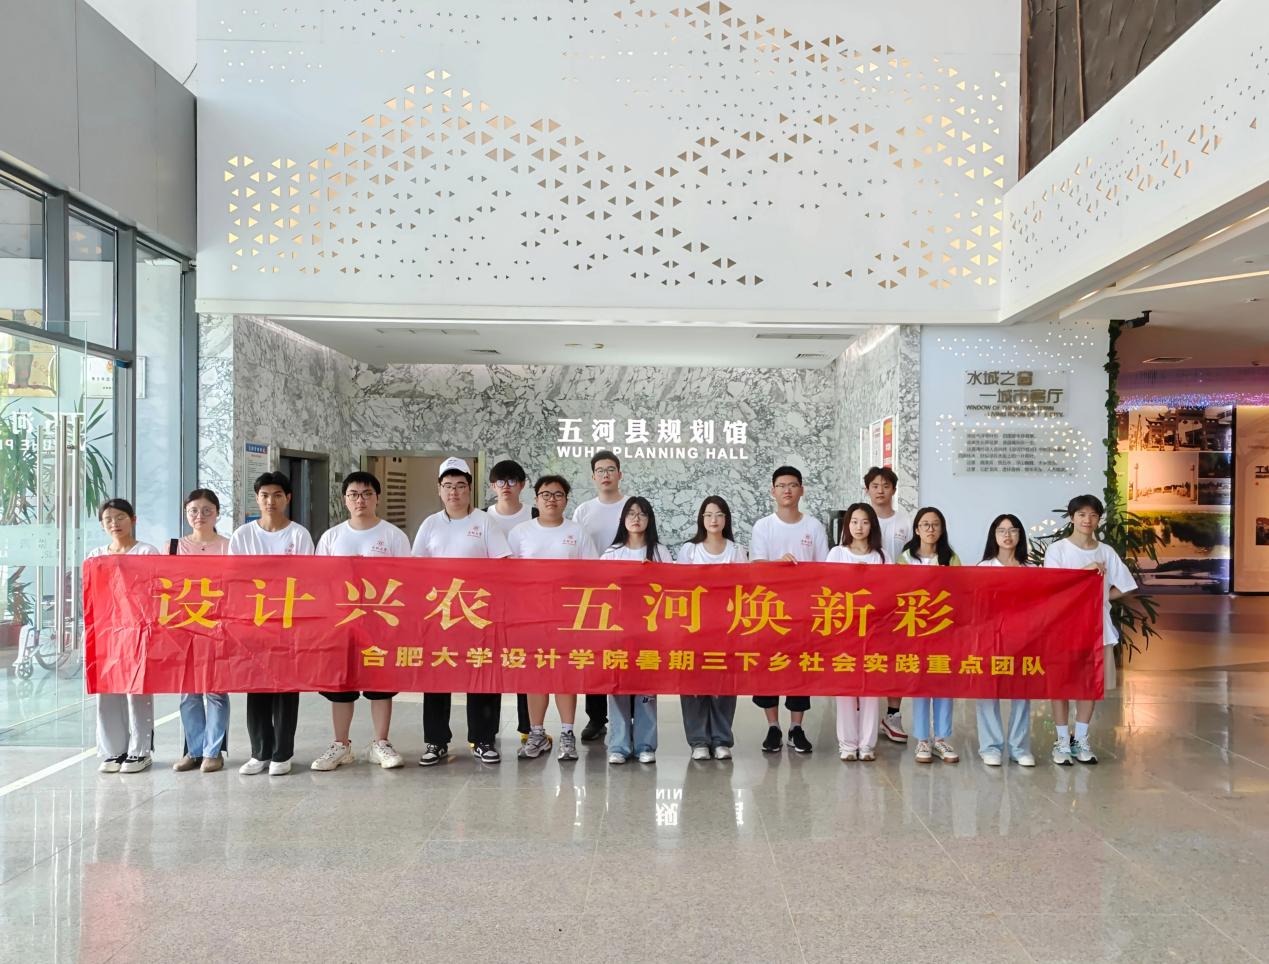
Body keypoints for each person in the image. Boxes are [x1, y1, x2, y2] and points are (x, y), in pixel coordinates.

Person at [412, 457, 512, 766]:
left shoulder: (485, 522)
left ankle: (483, 739)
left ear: (470, 488)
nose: (453, 492)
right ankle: (436, 741)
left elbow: (503, 564)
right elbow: (415, 569)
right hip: (439, 613)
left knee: (482, 673)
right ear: (439, 490)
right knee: (437, 676)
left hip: (478, 613)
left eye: (460, 486)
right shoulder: (430, 524)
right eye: (448, 486)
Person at [311, 471, 412, 772]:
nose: (360, 500)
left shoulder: (393, 536)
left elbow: (407, 579)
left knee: (380, 682)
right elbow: (320, 581)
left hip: (380, 620)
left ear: (377, 497)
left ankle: (380, 743)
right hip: (341, 622)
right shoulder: (331, 537)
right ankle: (341, 745)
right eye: (353, 494)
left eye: (367, 493)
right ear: (345, 499)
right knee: (341, 684)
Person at [228, 471, 315, 776]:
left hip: (289, 622)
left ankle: (282, 753)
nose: (270, 501)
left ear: (287, 498)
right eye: (264, 495)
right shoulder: (243, 535)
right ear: (257, 498)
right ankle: (259, 752)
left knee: (286, 687)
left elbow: (307, 580)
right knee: (257, 687)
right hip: (253, 622)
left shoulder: (299, 535)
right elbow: (235, 579)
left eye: (277, 495)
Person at [509, 475, 600, 761]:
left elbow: (593, 574)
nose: (552, 499)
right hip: (530, 616)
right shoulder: (520, 532)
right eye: (546, 494)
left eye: (558, 494)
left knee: (565, 675)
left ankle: (567, 734)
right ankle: (536, 733)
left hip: (568, 616)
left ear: (566, 500)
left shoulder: (577, 532)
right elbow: (507, 575)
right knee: (535, 676)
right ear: (536, 499)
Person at [1043, 494, 1136, 766]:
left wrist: (1103, 597)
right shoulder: (1058, 550)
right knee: (1060, 686)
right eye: (1082, 514)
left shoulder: (1105, 551)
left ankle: (1081, 739)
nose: (1088, 520)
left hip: (1097, 628)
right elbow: (1052, 586)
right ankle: (1062, 740)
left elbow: (1126, 586)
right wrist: (1086, 571)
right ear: (1072, 517)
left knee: (1089, 687)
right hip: (1063, 628)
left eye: (1093, 515)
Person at [749, 465, 829, 754]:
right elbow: (756, 566)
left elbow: (824, 568)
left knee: (799, 667)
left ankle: (796, 727)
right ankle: (773, 726)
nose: (787, 490)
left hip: (803, 611)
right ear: (773, 491)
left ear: (801, 490)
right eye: (781, 485)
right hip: (769, 611)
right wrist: (778, 565)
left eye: (793, 485)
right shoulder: (763, 526)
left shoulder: (814, 526)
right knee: (770, 667)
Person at [90, 499, 160, 774]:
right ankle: (113, 751)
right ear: (102, 524)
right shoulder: (96, 555)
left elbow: (155, 591)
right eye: (108, 519)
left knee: (137, 690)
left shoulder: (146, 552)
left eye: (120, 517)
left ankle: (140, 751)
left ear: (133, 519)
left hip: (138, 630)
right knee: (106, 691)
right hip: (105, 631)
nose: (114, 523)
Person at [601, 497, 671, 765]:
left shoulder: (660, 553)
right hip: (617, 632)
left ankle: (645, 744)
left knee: (646, 690)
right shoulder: (612, 553)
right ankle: (618, 745)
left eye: (642, 514)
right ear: (623, 519)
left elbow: (672, 590)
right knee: (618, 686)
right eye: (631, 513)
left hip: (650, 632)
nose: (636, 518)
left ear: (649, 519)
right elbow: (600, 590)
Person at [677, 496, 747, 761]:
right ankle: (698, 740)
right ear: (701, 519)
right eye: (708, 515)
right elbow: (679, 587)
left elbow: (745, 589)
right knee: (694, 684)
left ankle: (721, 739)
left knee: (723, 684)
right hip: (694, 628)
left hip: (726, 628)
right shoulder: (690, 550)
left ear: (726, 519)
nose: (713, 520)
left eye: (718, 514)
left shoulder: (736, 550)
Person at [172, 489, 231, 774]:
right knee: (188, 692)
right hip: (183, 626)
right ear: (186, 513)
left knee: (216, 691)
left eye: (207, 510)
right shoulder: (174, 547)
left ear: (217, 513)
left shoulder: (229, 546)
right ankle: (194, 751)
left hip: (218, 625)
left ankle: (213, 752)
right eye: (193, 511)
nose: (200, 516)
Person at [898, 506, 961, 764]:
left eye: (935, 524)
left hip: (944, 630)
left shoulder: (951, 558)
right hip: (915, 630)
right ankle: (923, 739)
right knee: (920, 684)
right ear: (916, 529)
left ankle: (941, 739)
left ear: (942, 529)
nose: (930, 529)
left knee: (944, 683)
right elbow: (898, 591)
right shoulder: (905, 558)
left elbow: (960, 592)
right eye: (925, 524)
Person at [571, 450, 627, 742]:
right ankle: (596, 718)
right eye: (600, 471)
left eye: (611, 469)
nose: (606, 475)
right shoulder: (583, 511)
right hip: (594, 594)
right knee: (594, 657)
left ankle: (628, 716)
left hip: (628, 593)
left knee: (625, 655)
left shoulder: (632, 506)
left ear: (620, 474)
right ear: (593, 476)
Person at [826, 502, 885, 763]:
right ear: (846, 525)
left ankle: (868, 744)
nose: (859, 527)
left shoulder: (881, 556)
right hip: (844, 630)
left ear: (872, 526)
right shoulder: (837, 554)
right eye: (854, 521)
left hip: (874, 630)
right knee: (846, 688)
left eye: (865, 522)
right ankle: (848, 744)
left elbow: (890, 591)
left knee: (871, 689)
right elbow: (827, 589)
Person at [975, 514, 1036, 767]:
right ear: (994, 535)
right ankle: (990, 747)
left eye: (1013, 530)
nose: (1007, 535)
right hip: (990, 639)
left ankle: (1019, 748)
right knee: (988, 692)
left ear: (1020, 535)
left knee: (1022, 693)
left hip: (1023, 639)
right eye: (1002, 530)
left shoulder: (1031, 570)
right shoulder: (983, 568)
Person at [484, 458, 534, 745]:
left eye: (512, 481)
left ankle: (528, 727)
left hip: (526, 604)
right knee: (490, 664)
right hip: (487, 604)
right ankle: (486, 731)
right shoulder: (481, 516)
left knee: (525, 664)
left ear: (522, 485)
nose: (506, 487)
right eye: (500, 482)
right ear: (493, 486)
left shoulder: (535, 514)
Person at [865, 466, 912, 746]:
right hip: (865, 603)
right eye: (875, 485)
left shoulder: (906, 521)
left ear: (894, 490)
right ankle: (865, 715)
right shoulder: (860, 518)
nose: (880, 490)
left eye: (885, 485)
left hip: (898, 602)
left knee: (897, 659)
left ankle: (893, 715)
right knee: (867, 657)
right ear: (867, 490)